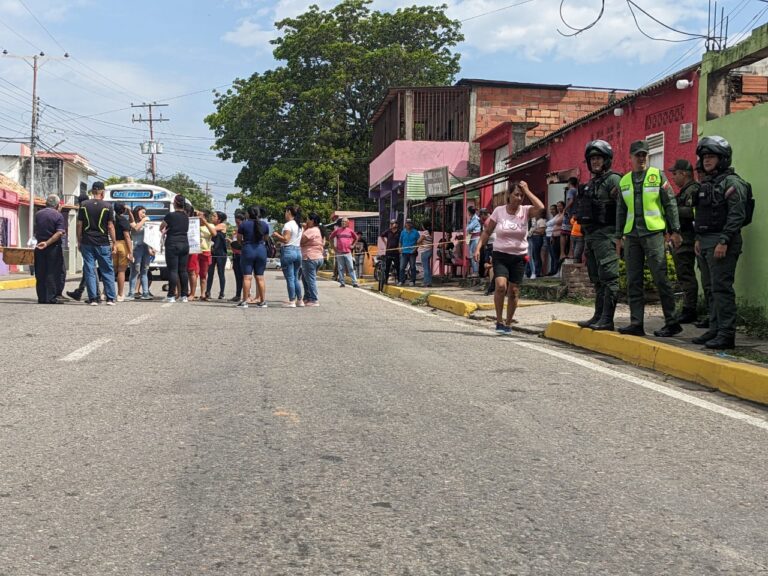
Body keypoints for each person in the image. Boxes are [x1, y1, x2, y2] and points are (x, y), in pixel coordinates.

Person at [616, 140, 683, 337]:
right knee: (633, 280)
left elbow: (670, 203)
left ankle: (672, 322)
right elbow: (621, 211)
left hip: (653, 233)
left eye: (644, 155)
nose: (641, 158)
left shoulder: (657, 176)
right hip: (632, 236)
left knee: (661, 278)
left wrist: (675, 230)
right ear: (631, 157)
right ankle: (636, 323)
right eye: (638, 155)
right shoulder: (624, 181)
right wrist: (618, 237)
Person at [691, 136, 750, 350]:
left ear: (722, 158)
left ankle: (726, 334)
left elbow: (737, 215)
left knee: (722, 288)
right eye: (705, 156)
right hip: (705, 241)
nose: (707, 160)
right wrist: (698, 238)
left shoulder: (732, 183)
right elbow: (702, 213)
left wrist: (724, 240)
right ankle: (715, 329)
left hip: (723, 241)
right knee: (710, 288)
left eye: (712, 156)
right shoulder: (708, 183)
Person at [474, 181, 545, 334]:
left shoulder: (526, 211)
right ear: (509, 195)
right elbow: (487, 231)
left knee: (513, 291)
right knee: (500, 286)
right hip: (500, 254)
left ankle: (508, 322)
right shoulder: (499, 211)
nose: (519, 198)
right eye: (516, 195)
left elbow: (541, 208)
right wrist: (478, 247)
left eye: (521, 195)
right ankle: (499, 320)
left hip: (519, 256)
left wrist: (527, 189)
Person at [575, 140, 622, 331]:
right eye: (592, 158)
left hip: (607, 236)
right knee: (596, 278)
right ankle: (598, 315)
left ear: (606, 160)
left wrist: (620, 236)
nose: (595, 162)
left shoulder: (614, 180)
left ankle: (607, 319)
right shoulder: (591, 184)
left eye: (599, 158)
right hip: (591, 237)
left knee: (609, 277)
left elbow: (622, 209)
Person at [669, 159, 702, 325]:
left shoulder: (693, 190)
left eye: (675, 173)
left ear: (684, 173)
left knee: (687, 276)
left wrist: (672, 208)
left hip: (689, 239)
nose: (673, 177)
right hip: (685, 239)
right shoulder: (684, 192)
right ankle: (690, 308)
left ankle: (690, 309)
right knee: (684, 275)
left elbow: (693, 212)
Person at [77, 181, 117, 306]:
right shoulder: (108, 206)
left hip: (87, 242)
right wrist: (114, 242)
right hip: (103, 242)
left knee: (89, 269)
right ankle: (110, 298)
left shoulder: (83, 205)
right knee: (107, 270)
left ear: (92, 191)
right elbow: (110, 226)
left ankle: (93, 298)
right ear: (102, 192)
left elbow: (79, 225)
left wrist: (79, 240)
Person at [33, 194, 66, 304]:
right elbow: (59, 232)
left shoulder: (38, 214)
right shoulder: (58, 215)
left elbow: (36, 229)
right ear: (57, 205)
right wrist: (47, 243)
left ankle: (41, 297)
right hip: (52, 247)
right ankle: (51, 297)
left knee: (40, 272)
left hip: (39, 246)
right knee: (52, 272)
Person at [237, 206, 269, 308]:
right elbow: (266, 238)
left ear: (248, 214)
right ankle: (263, 301)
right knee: (260, 277)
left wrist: (244, 244)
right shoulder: (264, 225)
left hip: (248, 250)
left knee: (247, 277)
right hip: (261, 250)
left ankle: (245, 301)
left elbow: (238, 239)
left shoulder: (244, 225)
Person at [160, 195, 190, 303]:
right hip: (185, 244)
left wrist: (166, 230)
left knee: (173, 270)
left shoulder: (170, 215)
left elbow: (161, 227)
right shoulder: (186, 216)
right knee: (183, 270)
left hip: (172, 243)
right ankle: (184, 295)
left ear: (175, 203)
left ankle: (171, 295)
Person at [273, 205, 303, 307]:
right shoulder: (299, 225)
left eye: (285, 212)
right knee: (295, 278)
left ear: (289, 212)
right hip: (298, 251)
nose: (285, 214)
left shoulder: (288, 225)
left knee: (290, 278)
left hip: (288, 251)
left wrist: (277, 235)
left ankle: (291, 301)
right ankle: (300, 300)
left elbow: (286, 239)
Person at [127, 205, 152, 300]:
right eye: (142, 212)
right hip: (136, 248)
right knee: (135, 271)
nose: (144, 214)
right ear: (137, 212)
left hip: (145, 248)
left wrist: (151, 248)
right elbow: (136, 228)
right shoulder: (133, 221)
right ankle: (131, 293)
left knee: (145, 270)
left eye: (145, 213)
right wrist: (144, 220)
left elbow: (150, 235)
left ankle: (145, 292)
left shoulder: (146, 222)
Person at [300, 212, 325, 306]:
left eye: (308, 219)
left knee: (310, 279)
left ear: (312, 221)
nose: (306, 221)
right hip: (317, 257)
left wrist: (303, 229)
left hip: (310, 257)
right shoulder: (317, 229)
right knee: (305, 278)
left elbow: (301, 240)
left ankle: (314, 299)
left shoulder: (311, 230)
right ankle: (307, 297)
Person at [329, 217, 360, 288]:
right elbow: (330, 238)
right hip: (339, 252)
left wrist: (353, 245)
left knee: (351, 268)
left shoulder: (350, 231)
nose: (343, 223)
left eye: (345, 222)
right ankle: (342, 282)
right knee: (341, 268)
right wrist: (333, 247)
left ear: (347, 223)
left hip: (348, 252)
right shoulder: (337, 231)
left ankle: (355, 282)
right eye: (342, 222)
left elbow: (356, 238)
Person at [112, 202, 133, 302]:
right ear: (123, 210)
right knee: (121, 270)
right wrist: (131, 251)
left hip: (113, 244)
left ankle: (105, 292)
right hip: (122, 245)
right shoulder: (123, 220)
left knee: (112, 270)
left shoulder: (112, 219)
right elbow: (127, 236)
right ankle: (120, 294)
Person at [560, 177, 578, 263]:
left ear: (569, 182)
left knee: (563, 233)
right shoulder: (577, 191)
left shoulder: (571, 190)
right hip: (575, 215)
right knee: (572, 234)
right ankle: (571, 252)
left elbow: (571, 201)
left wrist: (565, 209)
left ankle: (563, 253)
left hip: (569, 215)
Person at [228, 210, 245, 302]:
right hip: (235, 255)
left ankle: (246, 295)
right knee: (237, 276)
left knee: (244, 276)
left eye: (238, 222)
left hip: (242, 255)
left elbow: (240, 244)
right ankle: (238, 294)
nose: (237, 223)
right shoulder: (235, 232)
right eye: (236, 221)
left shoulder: (245, 231)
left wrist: (233, 242)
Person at [398, 218, 420, 286]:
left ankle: (412, 281)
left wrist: (415, 249)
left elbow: (418, 242)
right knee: (402, 267)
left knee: (412, 267)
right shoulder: (403, 232)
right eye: (407, 223)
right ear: (405, 224)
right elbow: (400, 242)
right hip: (404, 252)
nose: (408, 224)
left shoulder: (415, 232)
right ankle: (401, 281)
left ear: (411, 224)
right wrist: (399, 248)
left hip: (412, 252)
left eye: (409, 223)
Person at [379, 219, 400, 285]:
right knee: (387, 267)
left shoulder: (399, 232)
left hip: (396, 252)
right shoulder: (388, 231)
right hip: (388, 251)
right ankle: (385, 280)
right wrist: (385, 243)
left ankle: (399, 280)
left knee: (397, 266)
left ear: (396, 224)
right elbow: (382, 236)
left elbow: (401, 240)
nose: (391, 225)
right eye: (391, 224)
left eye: (393, 223)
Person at [527, 210, 546, 278]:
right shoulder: (534, 220)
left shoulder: (541, 220)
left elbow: (542, 231)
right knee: (531, 255)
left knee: (536, 255)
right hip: (531, 237)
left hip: (537, 238)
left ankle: (537, 272)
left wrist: (532, 230)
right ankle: (530, 271)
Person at [466, 206, 482, 276]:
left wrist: (468, 225)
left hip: (476, 238)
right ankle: (474, 271)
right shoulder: (472, 219)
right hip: (471, 238)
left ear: (469, 212)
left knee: (474, 254)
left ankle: (476, 271)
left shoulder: (475, 219)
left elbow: (468, 228)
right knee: (471, 255)